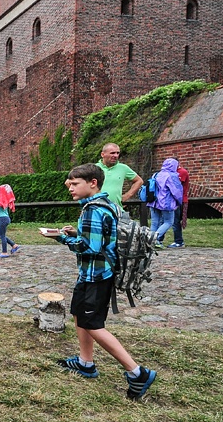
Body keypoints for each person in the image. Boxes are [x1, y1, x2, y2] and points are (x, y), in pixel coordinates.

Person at [41, 163, 156, 400]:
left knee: (94, 324)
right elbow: (101, 237)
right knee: (78, 314)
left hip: (97, 275)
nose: (70, 189)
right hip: (92, 275)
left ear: (92, 183)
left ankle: (137, 373)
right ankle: (86, 363)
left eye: (74, 184)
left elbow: (90, 247)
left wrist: (61, 238)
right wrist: (75, 232)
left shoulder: (93, 209)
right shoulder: (105, 204)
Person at [145, 158, 183, 248]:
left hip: (153, 202)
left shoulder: (156, 174)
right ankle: (155, 239)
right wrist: (179, 202)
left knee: (155, 223)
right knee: (168, 222)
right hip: (166, 203)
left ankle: (149, 241)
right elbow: (176, 191)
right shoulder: (172, 176)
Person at [97, 143, 143, 208]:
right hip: (96, 209)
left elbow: (139, 181)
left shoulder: (123, 168)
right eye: (112, 153)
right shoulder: (94, 168)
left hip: (116, 209)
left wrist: (127, 195)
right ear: (102, 154)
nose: (116, 155)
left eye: (117, 153)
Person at [0, 184, 21, 258]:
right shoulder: (1, 200)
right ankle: (14, 245)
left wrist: (3, 190)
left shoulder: (2, 200)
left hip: (3, 219)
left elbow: (2, 202)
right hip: (3, 219)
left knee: (2, 235)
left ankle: (4, 252)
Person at [168, 163, 190, 248]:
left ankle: (179, 241)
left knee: (176, 221)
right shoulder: (173, 172)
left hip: (180, 200)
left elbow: (176, 185)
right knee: (173, 220)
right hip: (174, 200)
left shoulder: (182, 172)